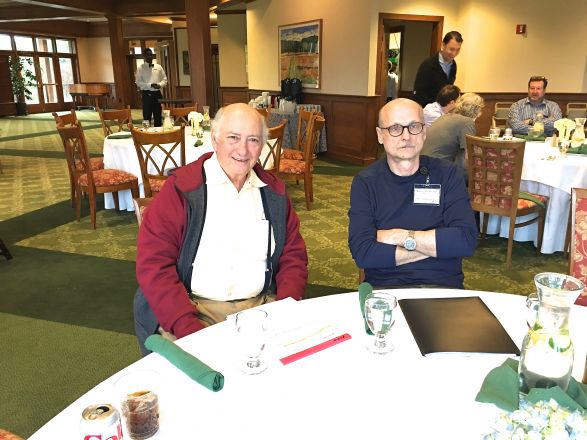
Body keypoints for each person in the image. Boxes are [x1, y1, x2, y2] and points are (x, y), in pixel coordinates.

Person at [134, 103, 308, 355]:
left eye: (253, 140)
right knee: (193, 383)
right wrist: (187, 326)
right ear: (215, 140)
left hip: (261, 309)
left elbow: (294, 257)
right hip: (193, 310)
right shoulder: (182, 190)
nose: (243, 150)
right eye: (233, 138)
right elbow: (154, 267)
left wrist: (284, 307)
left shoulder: (274, 194)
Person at [348, 98, 477, 289]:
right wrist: (437, 246)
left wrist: (399, 237)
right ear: (380, 135)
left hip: (443, 287)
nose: (406, 136)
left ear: (424, 132)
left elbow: (465, 241)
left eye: (414, 126)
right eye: (395, 128)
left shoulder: (448, 175)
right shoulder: (366, 182)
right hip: (386, 289)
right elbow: (364, 253)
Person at [422, 92, 484, 173]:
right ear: (477, 111)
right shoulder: (467, 122)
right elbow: (469, 157)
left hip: (423, 167)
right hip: (439, 172)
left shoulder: (443, 117)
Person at [412, 31, 463, 107]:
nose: (454, 53)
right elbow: (419, 93)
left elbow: (448, 89)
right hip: (428, 110)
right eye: (451, 49)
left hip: (444, 110)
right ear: (443, 45)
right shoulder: (428, 65)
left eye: (457, 50)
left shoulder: (453, 65)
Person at [135, 48, 167, 127]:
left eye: (151, 55)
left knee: (158, 117)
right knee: (146, 117)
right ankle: (147, 136)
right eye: (148, 55)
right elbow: (138, 82)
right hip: (146, 94)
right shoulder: (140, 69)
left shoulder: (159, 67)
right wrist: (150, 85)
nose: (150, 57)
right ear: (144, 56)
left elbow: (165, 79)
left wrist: (159, 85)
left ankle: (159, 136)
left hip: (157, 94)